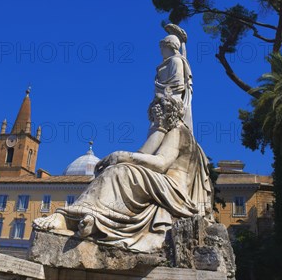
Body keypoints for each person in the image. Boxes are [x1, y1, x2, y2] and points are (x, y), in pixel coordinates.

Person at [33, 34, 212, 252]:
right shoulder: (164, 129)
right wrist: (121, 156)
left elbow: (161, 163)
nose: (156, 117)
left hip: (175, 190)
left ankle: (75, 219)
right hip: (161, 184)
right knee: (119, 169)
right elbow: (141, 154)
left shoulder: (179, 131)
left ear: (169, 109)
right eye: (154, 114)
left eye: (159, 112)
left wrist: (122, 156)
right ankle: (90, 219)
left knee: (121, 173)